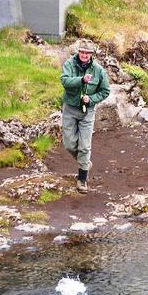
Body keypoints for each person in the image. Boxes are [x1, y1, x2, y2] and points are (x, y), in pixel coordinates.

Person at [60, 39, 111, 193]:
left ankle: (82, 179)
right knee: (69, 144)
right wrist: (81, 80)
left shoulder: (98, 70)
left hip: (87, 112)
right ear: (78, 52)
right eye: (82, 52)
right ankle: (85, 162)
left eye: (87, 53)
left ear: (91, 54)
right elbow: (65, 81)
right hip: (70, 108)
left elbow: (105, 91)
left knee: (84, 146)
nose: (84, 55)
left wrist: (92, 99)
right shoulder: (69, 64)